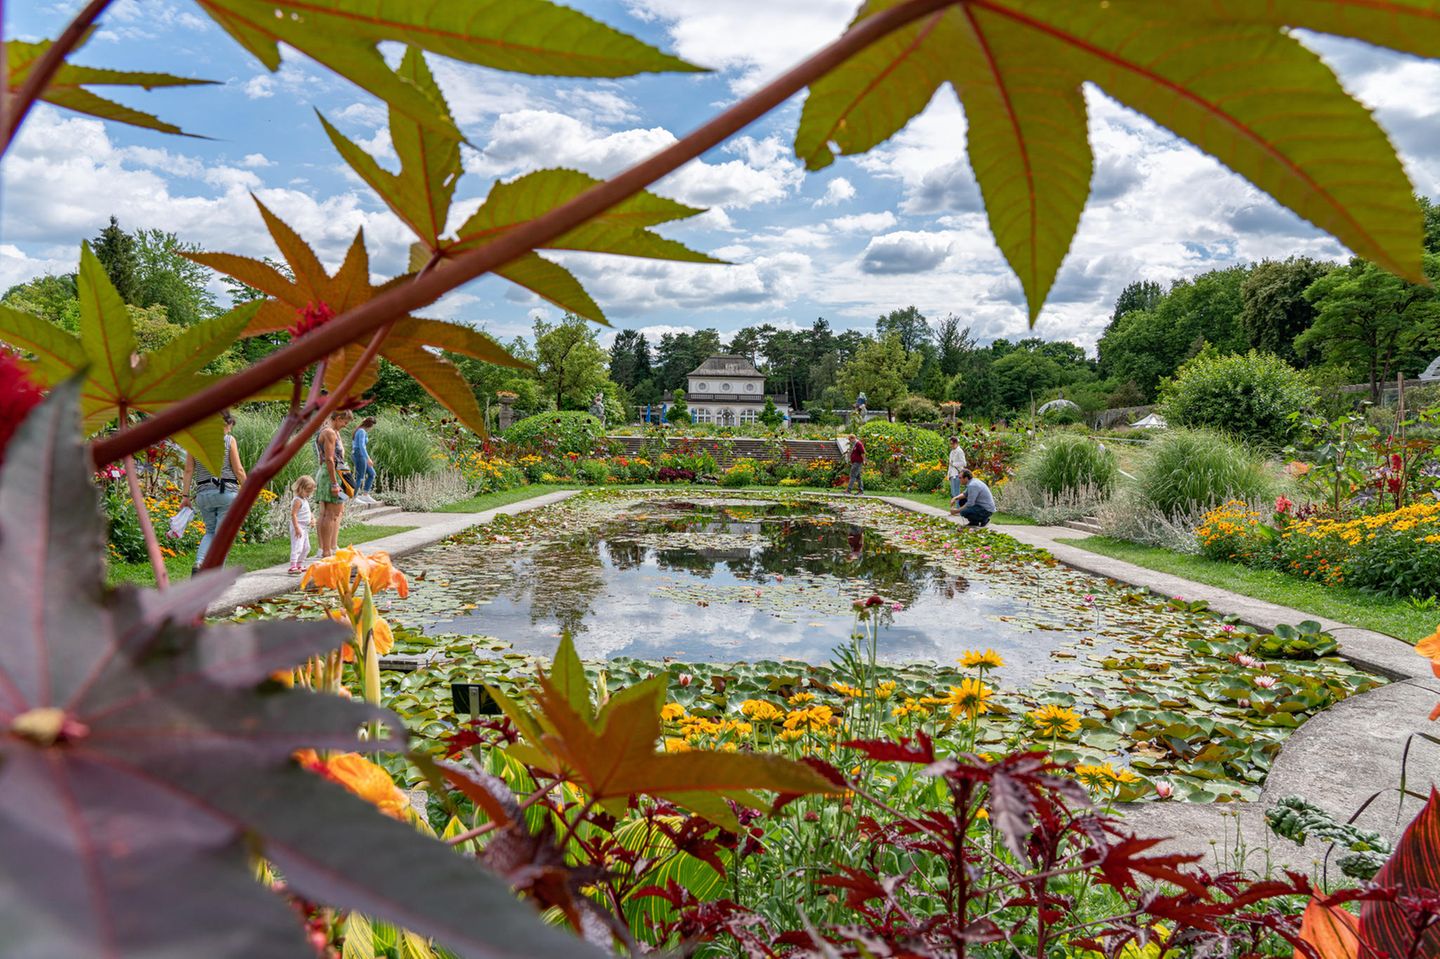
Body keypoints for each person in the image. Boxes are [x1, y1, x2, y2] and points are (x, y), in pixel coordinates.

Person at [179, 410, 247, 573]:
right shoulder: (229, 440)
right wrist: (248, 489)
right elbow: (238, 469)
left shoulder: (194, 443)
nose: (230, 429)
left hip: (203, 494)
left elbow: (188, 470)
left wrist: (185, 496)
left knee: (210, 532)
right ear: (225, 424)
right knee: (222, 536)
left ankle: (200, 563)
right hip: (226, 493)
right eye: (230, 425)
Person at [315, 409, 354, 558]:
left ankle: (330, 549)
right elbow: (329, 459)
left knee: (336, 512)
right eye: (345, 421)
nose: (345, 425)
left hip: (336, 473)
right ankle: (326, 552)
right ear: (337, 418)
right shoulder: (329, 432)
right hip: (332, 474)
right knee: (330, 514)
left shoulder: (331, 431)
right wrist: (334, 483)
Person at [288, 476, 317, 574]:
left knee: (306, 547)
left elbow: (308, 512)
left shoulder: (304, 499)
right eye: (307, 491)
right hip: (298, 526)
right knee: (297, 546)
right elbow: (294, 514)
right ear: (300, 488)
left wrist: (312, 519)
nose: (309, 494)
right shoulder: (297, 500)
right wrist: (296, 528)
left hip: (305, 528)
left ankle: (299, 564)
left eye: (310, 492)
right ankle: (293, 566)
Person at [351, 416, 378, 505]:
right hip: (359, 454)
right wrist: (368, 458)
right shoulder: (362, 431)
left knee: (372, 473)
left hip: (360, 454)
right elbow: (361, 446)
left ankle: (365, 495)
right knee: (360, 477)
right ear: (370, 425)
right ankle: (353, 497)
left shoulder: (359, 430)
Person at [946, 435, 968, 502]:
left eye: (952, 443)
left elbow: (964, 463)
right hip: (952, 474)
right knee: (953, 493)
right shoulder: (952, 452)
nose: (951, 445)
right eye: (950, 443)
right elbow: (950, 464)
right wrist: (948, 475)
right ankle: (955, 509)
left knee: (956, 493)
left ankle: (958, 509)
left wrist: (954, 464)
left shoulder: (960, 451)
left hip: (958, 474)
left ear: (956, 443)